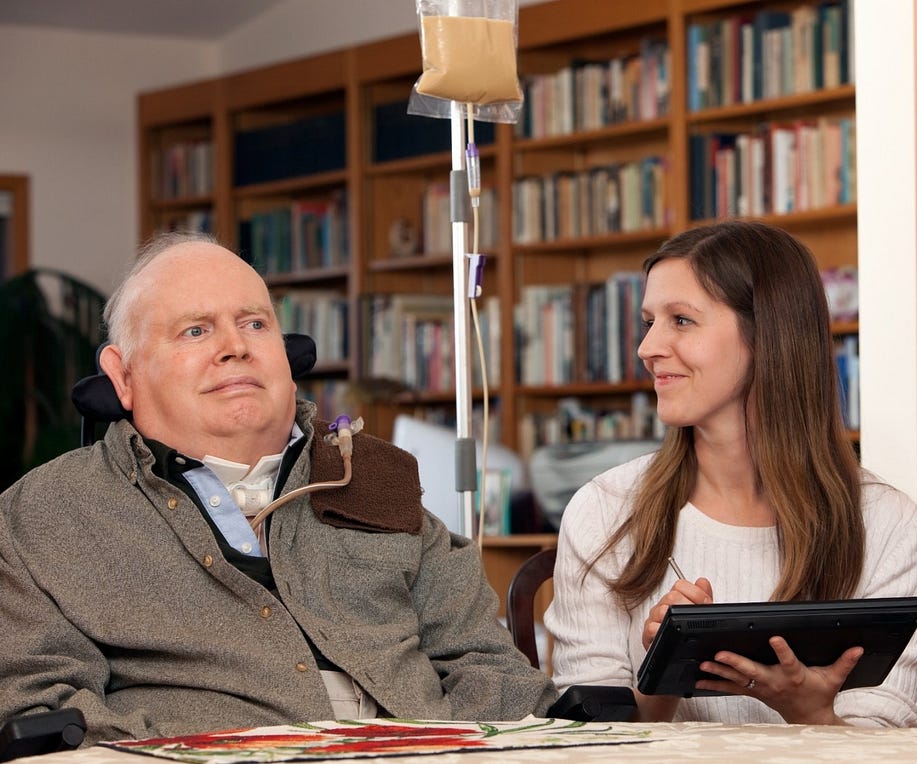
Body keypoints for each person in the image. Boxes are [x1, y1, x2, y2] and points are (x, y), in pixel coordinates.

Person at [0, 231, 557, 745]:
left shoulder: (371, 475)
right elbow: (39, 710)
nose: (234, 346)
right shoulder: (43, 515)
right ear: (122, 376)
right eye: (196, 330)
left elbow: (488, 667)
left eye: (254, 324)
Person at [544, 220, 917, 727]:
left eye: (681, 320)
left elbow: (887, 740)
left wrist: (810, 712)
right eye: (649, 322)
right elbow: (587, 740)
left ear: (768, 334)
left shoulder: (886, 522)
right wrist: (663, 676)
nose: (647, 348)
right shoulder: (605, 509)